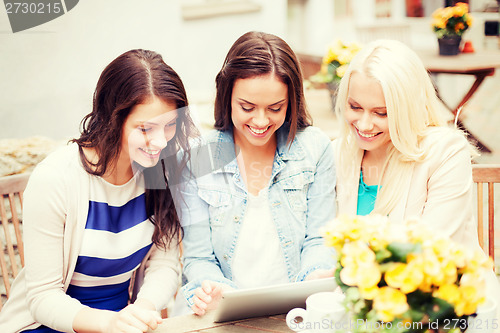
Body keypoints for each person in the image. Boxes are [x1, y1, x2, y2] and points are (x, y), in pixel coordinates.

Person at [0, 49, 198, 333]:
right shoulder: (56, 179)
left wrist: (141, 311)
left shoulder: (162, 170)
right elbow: (43, 298)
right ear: (112, 117)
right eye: (145, 128)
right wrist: (110, 322)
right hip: (45, 326)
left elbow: (165, 263)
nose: (160, 141)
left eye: (169, 126)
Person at [333, 39, 499, 315]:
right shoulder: (341, 152)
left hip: (443, 312)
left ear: (406, 109)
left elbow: (430, 254)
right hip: (365, 313)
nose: (363, 124)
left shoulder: (445, 151)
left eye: (381, 113)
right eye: (355, 107)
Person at [177, 31, 336, 316]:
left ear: (292, 101)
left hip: (294, 313)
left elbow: (319, 238)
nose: (261, 121)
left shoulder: (316, 148)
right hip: (221, 315)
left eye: (276, 108)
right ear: (227, 96)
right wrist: (214, 291)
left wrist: (316, 275)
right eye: (247, 107)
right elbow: (197, 257)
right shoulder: (197, 157)